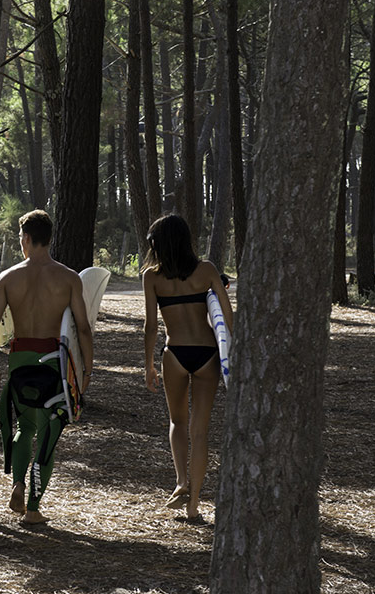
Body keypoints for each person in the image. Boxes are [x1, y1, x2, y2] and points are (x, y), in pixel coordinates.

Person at [0, 210, 93, 525]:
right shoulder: (69, 278)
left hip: (20, 360)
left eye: (21, 238)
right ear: (50, 238)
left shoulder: (9, 277)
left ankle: (18, 482)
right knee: (47, 434)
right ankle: (33, 509)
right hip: (54, 364)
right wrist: (86, 369)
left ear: (27, 239)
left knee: (25, 428)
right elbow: (82, 329)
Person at [141, 214, 233, 523]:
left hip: (175, 353)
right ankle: (194, 505)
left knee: (177, 423)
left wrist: (148, 364)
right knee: (200, 431)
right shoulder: (207, 270)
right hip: (207, 353)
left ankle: (181, 482)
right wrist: (230, 356)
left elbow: (151, 327)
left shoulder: (151, 277)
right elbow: (226, 318)